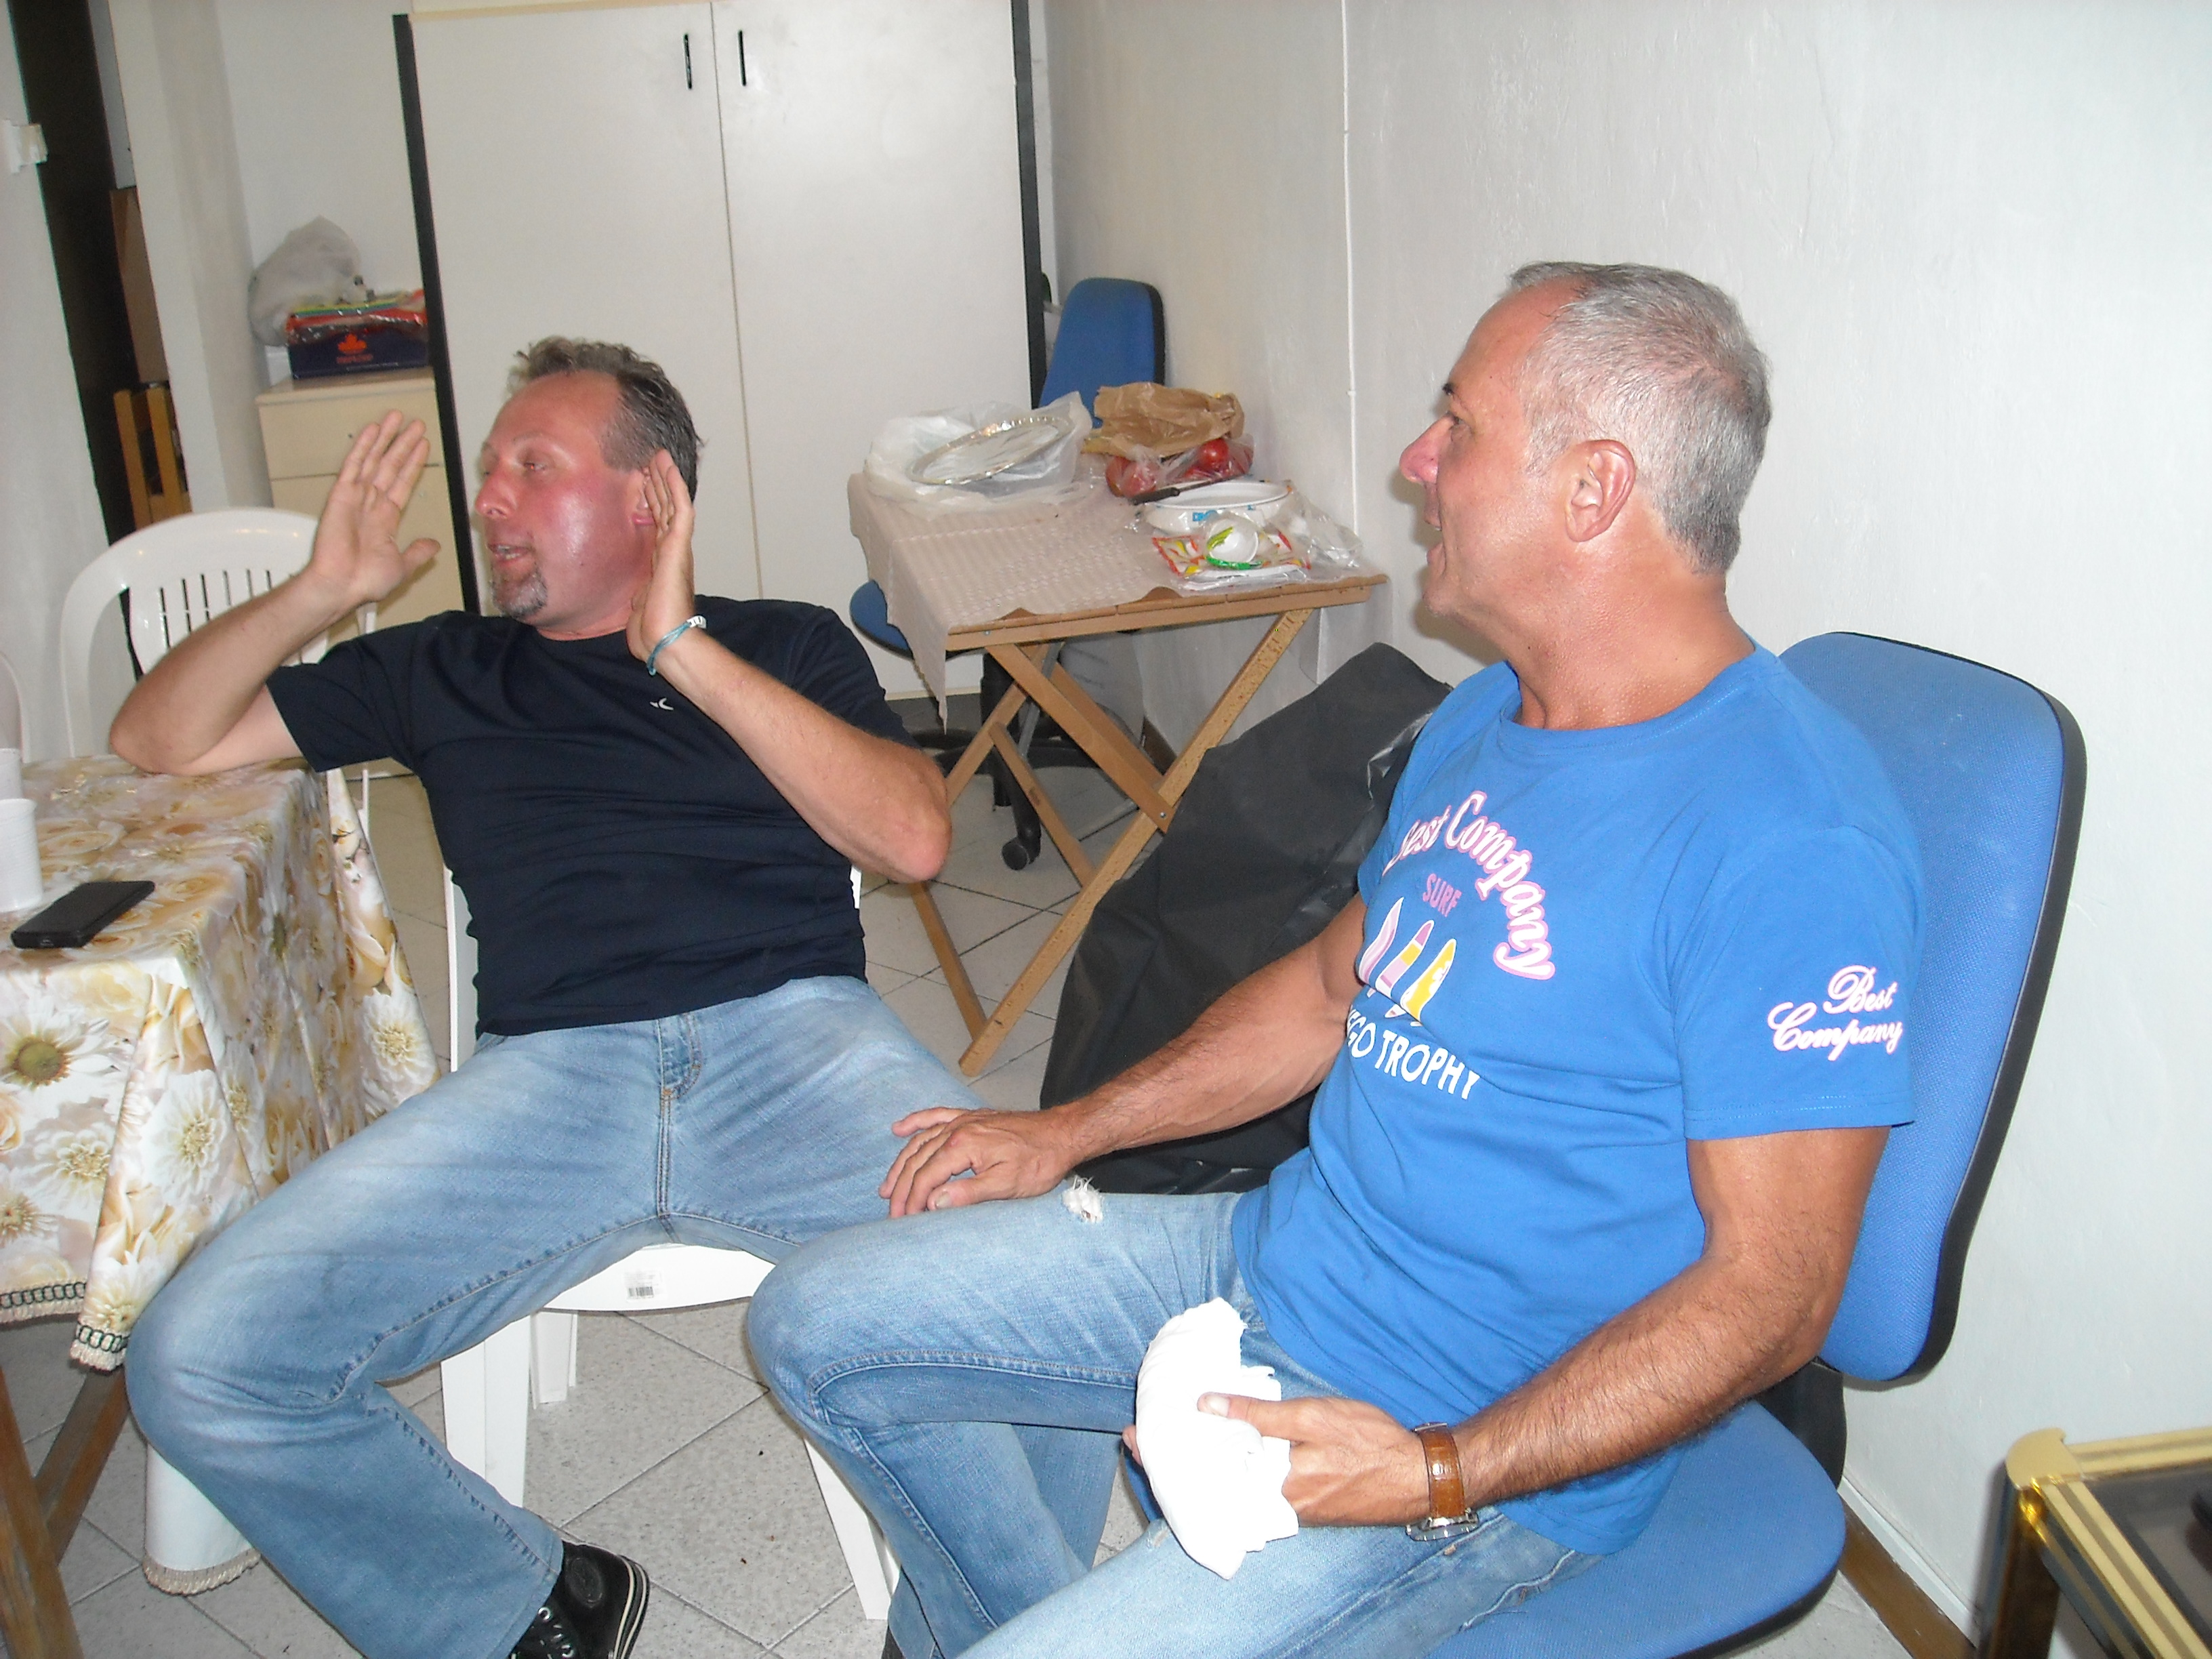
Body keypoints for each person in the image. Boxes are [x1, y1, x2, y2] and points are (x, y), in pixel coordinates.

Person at [747, 264, 1923, 1659]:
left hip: (1475, 1437)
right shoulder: (1490, 718)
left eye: (1460, 426)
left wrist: (1434, 1473)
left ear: (1594, 489)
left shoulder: (1791, 838)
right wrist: (1066, 1132)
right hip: (1274, 1258)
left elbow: (1776, 1295)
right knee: (811, 1322)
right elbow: (1323, 993)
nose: (1419, 461)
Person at [117, 340, 970, 1659]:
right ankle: (516, 1600)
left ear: (651, 497)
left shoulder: (785, 641)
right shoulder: (441, 666)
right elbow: (155, 741)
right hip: (547, 1081)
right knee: (197, 1357)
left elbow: (913, 840)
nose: (489, 500)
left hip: (797, 1044)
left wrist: (682, 649)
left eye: (533, 467)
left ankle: (967, 1624)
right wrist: (323, 590)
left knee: (1021, 1276)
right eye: (488, 472)